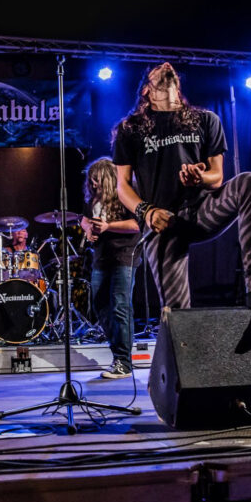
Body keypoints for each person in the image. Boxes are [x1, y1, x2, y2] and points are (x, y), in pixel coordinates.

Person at [113, 62, 251, 311]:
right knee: (178, 314)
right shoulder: (130, 129)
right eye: (157, 67)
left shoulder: (205, 120)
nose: (166, 65)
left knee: (250, 182)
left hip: (202, 210)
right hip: (163, 221)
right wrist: (147, 212)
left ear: (178, 86)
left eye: (169, 66)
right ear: (145, 90)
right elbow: (122, 186)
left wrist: (199, 178)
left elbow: (216, 177)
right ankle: (178, 329)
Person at [80, 157, 140, 379]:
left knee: (120, 306)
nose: (93, 184)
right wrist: (88, 228)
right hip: (101, 257)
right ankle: (118, 355)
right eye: (90, 180)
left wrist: (108, 227)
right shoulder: (93, 199)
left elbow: (136, 224)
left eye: (96, 179)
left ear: (107, 178)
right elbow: (84, 219)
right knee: (100, 305)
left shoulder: (126, 195)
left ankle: (124, 362)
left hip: (124, 255)